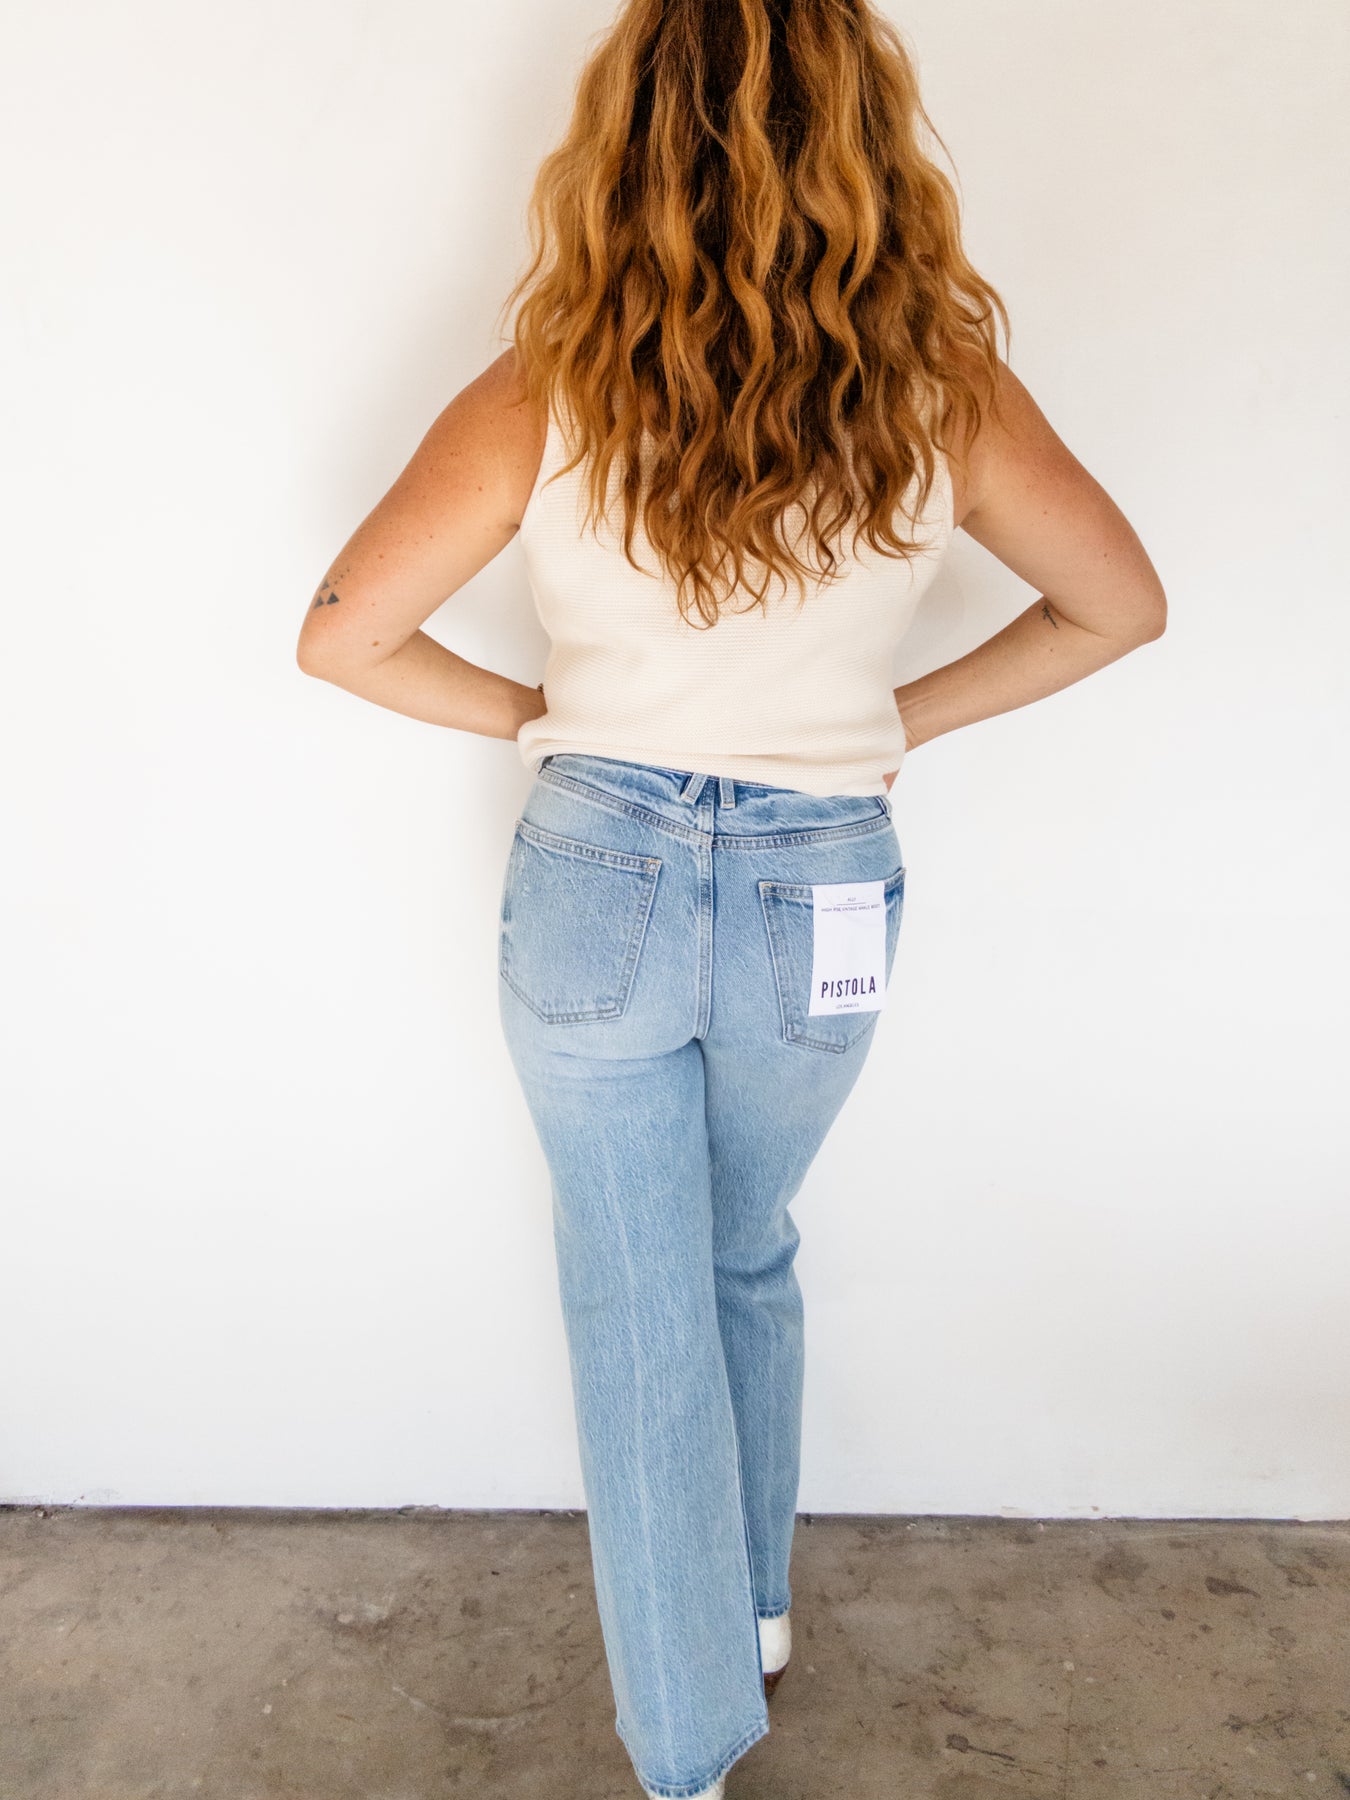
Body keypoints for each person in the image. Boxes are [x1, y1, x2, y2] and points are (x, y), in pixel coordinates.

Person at [295, 0, 1167, 1791]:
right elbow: (1118, 605)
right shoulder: (938, 386)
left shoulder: (549, 383)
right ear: (864, 140)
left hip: (596, 869)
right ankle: (743, 1614)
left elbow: (344, 636)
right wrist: (892, 722)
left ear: (618, 146)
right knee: (742, 1244)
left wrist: (545, 721)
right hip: (821, 880)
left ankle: (686, 1747)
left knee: (642, 1296)